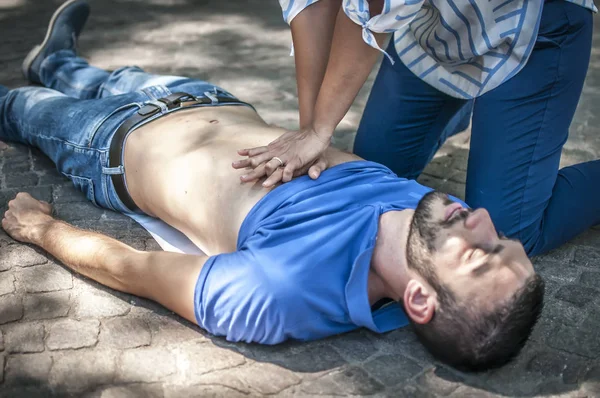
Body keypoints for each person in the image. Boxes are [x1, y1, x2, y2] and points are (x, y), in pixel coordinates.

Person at [0, 0, 544, 372]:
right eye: (502, 238)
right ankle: (54, 60)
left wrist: (42, 230)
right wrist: (316, 124)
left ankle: (49, 73)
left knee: (16, 110)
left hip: (105, 143)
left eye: (479, 254)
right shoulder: (424, 211)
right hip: (204, 97)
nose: (483, 220)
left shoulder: (286, 293)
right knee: (87, 75)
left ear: (420, 299)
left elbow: (138, 270)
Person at [235, 0, 600, 257]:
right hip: (436, 28)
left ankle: (495, 111)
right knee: (372, 173)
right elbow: (311, 4)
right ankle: (465, 111)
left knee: (505, 230)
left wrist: (319, 131)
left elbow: (372, 10)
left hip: (533, 26)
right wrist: (312, 129)